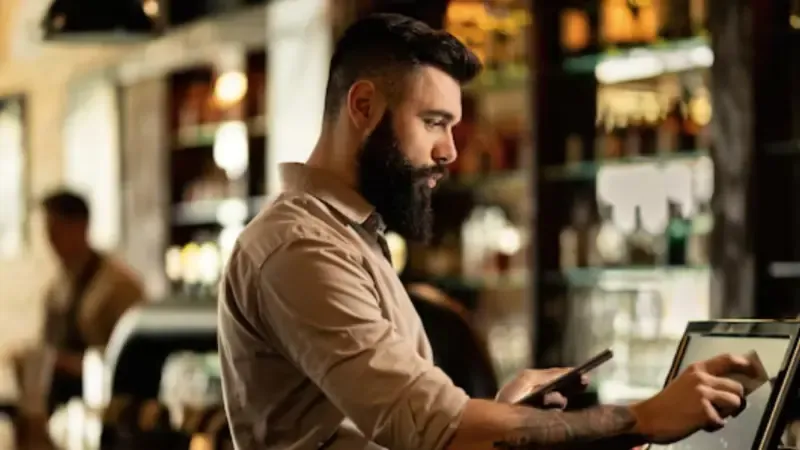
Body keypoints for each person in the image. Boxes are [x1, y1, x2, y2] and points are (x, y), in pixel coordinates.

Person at [218, 13, 755, 450]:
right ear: (363, 106)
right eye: (433, 122)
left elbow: (418, 429)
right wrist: (644, 418)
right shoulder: (300, 248)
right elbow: (432, 428)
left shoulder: (349, 234)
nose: (450, 151)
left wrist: (502, 415)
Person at [38, 190, 144, 412]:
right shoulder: (55, 288)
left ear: (81, 227)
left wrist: (69, 363)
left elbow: (133, 361)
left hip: (105, 408)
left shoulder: (119, 286)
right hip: (60, 406)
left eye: (56, 231)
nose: (50, 241)